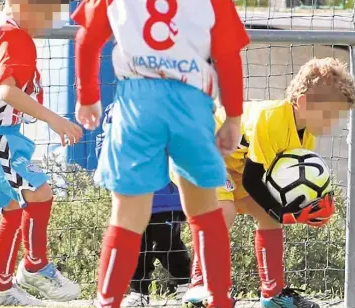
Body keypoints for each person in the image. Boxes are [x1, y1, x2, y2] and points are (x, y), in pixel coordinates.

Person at [72, 0, 250, 307]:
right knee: (206, 209)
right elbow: (228, 57)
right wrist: (233, 118)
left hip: (138, 102)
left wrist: (88, 96)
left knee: (127, 215)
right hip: (191, 103)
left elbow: (87, 39)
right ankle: (219, 298)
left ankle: (108, 301)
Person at [180, 57, 355, 308]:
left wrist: (310, 206)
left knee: (268, 218)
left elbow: (274, 183)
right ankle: (200, 286)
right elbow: (254, 180)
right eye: (328, 114)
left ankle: (272, 295)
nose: (332, 123)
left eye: (337, 116)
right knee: (224, 210)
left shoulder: (305, 137)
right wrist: (286, 213)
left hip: (233, 166)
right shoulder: (272, 118)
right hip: (202, 149)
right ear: (304, 103)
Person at [0, 0, 83, 305]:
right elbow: (7, 91)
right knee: (40, 193)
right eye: (50, 10)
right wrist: (54, 119)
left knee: (13, 209)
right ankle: (35, 266)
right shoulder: (15, 36)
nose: (54, 20)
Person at [96, 105, 191, 307]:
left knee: (166, 242)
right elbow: (105, 146)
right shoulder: (116, 110)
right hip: (133, 196)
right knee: (137, 246)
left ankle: (184, 283)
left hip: (168, 198)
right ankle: (138, 292)